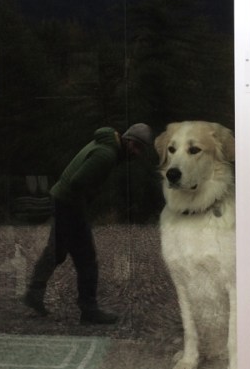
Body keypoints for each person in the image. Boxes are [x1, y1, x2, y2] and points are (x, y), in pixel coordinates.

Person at [23, 123, 154, 324]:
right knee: (86, 259)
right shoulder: (106, 155)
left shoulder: (106, 146)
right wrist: (84, 206)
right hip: (70, 204)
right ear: (127, 140)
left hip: (62, 200)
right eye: (136, 146)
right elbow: (78, 182)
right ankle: (89, 310)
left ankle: (34, 294)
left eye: (141, 149)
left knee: (56, 251)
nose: (137, 153)